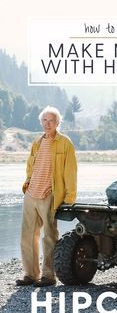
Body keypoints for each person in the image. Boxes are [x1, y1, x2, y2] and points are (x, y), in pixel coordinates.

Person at [16, 106, 77, 287]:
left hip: (50, 194)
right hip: (31, 193)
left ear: (58, 123)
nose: (47, 124)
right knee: (27, 235)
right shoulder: (37, 142)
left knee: (49, 236)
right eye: (45, 120)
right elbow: (30, 166)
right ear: (41, 122)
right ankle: (30, 274)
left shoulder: (65, 143)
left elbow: (70, 171)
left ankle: (49, 276)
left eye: (51, 121)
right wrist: (27, 182)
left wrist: (70, 197)